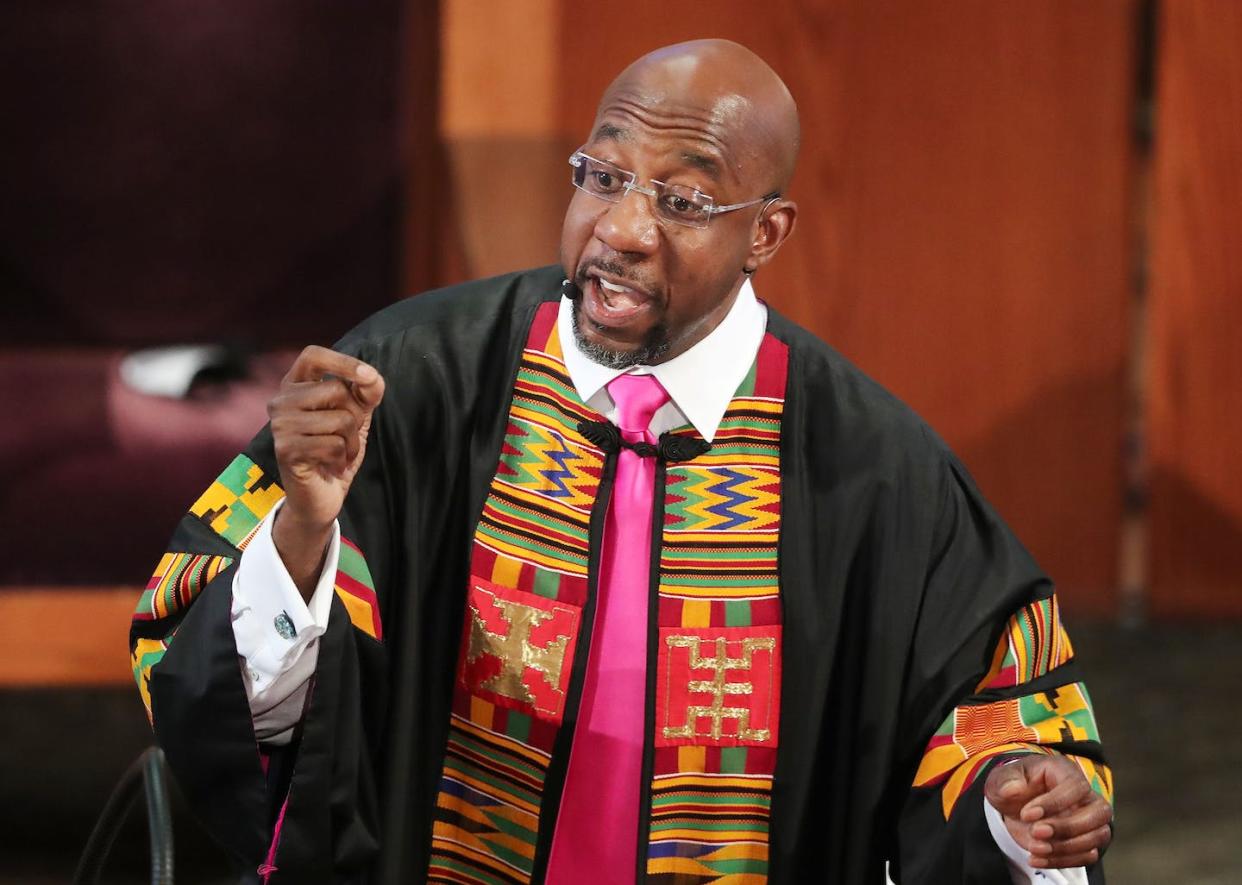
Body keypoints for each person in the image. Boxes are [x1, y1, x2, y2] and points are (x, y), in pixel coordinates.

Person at [130, 39, 1113, 884]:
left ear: (764, 231)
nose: (622, 231)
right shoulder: (408, 381)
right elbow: (207, 674)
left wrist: (1012, 804)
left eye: (683, 200)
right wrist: (303, 535)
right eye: (602, 178)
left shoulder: (878, 473)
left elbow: (998, 713)